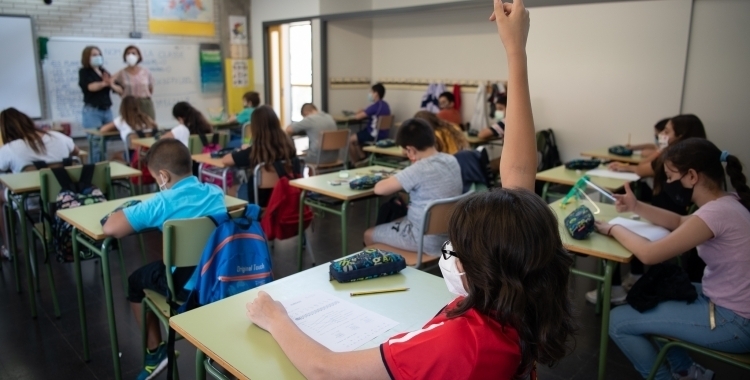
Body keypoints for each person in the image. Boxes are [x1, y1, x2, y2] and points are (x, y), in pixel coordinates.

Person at [246, 2, 576, 379]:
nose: (452, 256)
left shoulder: (459, 344)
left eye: (459, 251)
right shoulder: (524, 303)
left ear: (479, 274)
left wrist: (274, 317)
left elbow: (324, 369)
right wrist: (515, 50)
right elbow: (518, 177)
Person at [595, 138, 750, 380]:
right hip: (730, 306)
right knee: (651, 297)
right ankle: (686, 372)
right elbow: (678, 222)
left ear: (691, 176)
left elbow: (649, 253)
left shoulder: (716, 213)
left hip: (736, 322)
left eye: (670, 176)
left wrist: (613, 228)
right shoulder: (728, 203)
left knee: (617, 321)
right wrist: (636, 206)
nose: (668, 183)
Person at [101, 138, 226, 380]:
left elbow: (111, 229)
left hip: (185, 288)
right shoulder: (215, 192)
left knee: (135, 280)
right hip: (217, 277)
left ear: (164, 177)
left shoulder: (161, 202)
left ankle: (155, 352)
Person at [363, 118, 463, 254]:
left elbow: (379, 189)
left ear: (410, 150)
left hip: (422, 238)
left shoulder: (419, 169)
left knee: (368, 234)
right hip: (451, 235)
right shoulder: (452, 160)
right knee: (395, 218)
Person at [222, 106, 297, 206]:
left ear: (255, 127)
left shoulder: (255, 150)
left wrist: (244, 150)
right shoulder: (289, 144)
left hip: (261, 200)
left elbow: (226, 160)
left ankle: (243, 218)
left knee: (232, 188)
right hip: (287, 195)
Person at [79, 46, 122, 162]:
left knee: (105, 142)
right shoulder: (84, 72)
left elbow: (117, 87)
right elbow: (90, 87)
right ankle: (94, 173)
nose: (97, 57)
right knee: (96, 144)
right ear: (87, 57)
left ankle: (103, 169)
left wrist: (112, 82)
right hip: (92, 111)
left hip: (107, 110)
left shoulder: (104, 72)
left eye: (99, 54)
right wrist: (105, 83)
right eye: (94, 55)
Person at [100, 95, 158, 162]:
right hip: (150, 152)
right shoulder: (146, 118)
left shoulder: (121, 120)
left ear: (122, 108)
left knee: (115, 156)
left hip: (133, 154)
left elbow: (103, 130)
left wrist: (116, 127)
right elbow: (155, 127)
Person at [348, 83, 391, 165]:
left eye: (371, 92)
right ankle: (363, 158)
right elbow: (370, 113)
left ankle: (355, 164)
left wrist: (357, 113)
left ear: (376, 94)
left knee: (350, 140)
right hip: (384, 134)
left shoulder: (375, 106)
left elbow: (358, 117)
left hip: (374, 134)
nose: (369, 94)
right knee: (358, 138)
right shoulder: (385, 105)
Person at [113, 45, 155, 120]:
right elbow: (119, 90)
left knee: (149, 126)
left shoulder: (146, 72)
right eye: (128, 53)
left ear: (138, 56)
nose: (131, 55)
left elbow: (150, 88)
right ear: (125, 56)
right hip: (129, 104)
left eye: (133, 53)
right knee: (130, 127)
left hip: (145, 103)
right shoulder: (121, 73)